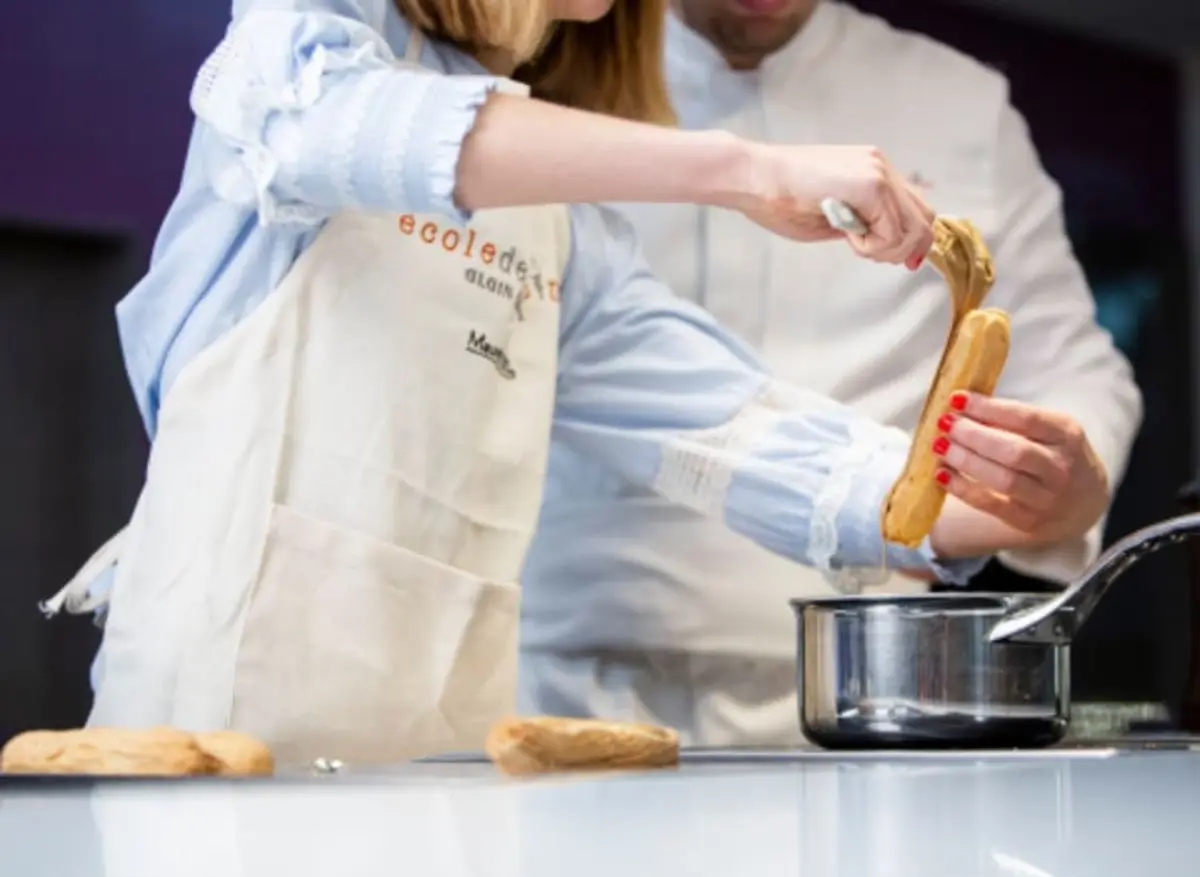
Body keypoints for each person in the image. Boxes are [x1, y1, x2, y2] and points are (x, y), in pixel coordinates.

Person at [43, 0, 1040, 766]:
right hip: (212, 723)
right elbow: (326, 123)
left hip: (433, 746)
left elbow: (731, 435)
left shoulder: (560, 218)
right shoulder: (309, 45)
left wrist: (1004, 497)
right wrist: (737, 168)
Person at [519, 0, 1142, 746]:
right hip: (553, 660)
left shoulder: (958, 100)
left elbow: (1075, 368)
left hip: (866, 667)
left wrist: (1049, 495)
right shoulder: (545, 84)